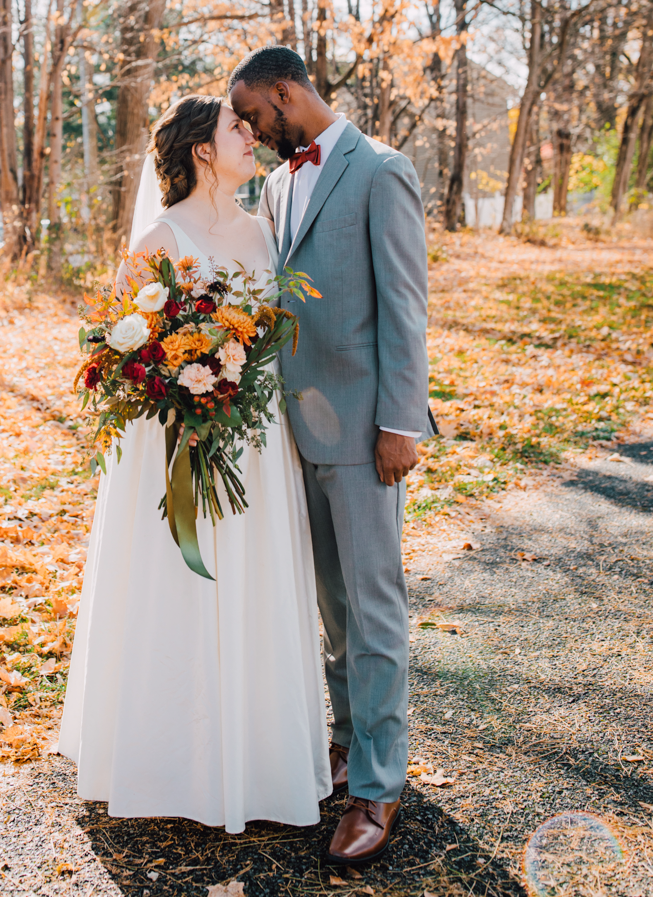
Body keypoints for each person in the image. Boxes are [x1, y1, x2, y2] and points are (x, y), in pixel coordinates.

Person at [58, 94, 332, 834]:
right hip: (176, 440)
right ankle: (168, 756)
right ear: (203, 151)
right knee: (177, 585)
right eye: (236, 129)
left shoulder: (264, 231)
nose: (252, 137)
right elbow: (119, 348)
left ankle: (257, 754)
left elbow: (279, 330)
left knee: (254, 581)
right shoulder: (159, 234)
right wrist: (179, 381)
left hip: (257, 438)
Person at [229, 46, 430, 868]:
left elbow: (405, 307)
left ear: (288, 92)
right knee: (332, 612)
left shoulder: (380, 171)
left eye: (251, 114)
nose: (248, 129)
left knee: (373, 612)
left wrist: (398, 423)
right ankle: (346, 744)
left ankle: (378, 785)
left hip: (362, 431)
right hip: (292, 432)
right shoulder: (277, 186)